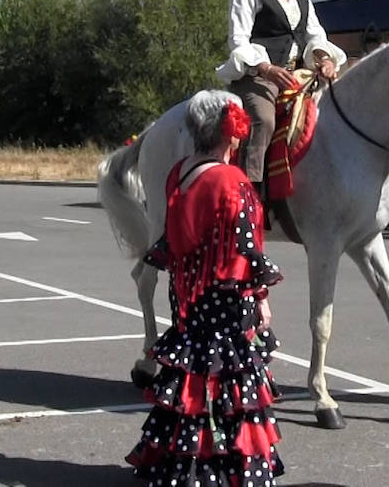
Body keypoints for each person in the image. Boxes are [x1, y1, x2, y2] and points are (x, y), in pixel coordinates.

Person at [126, 90, 285, 486]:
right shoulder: (233, 181)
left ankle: (182, 468)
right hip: (225, 298)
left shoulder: (178, 172)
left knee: (192, 381)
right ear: (230, 131)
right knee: (230, 386)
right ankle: (226, 472)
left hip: (187, 294)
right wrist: (260, 299)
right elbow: (246, 249)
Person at [216, 0, 344, 200]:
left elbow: (314, 33)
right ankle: (248, 195)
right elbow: (238, 41)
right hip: (257, 75)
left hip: (298, 73)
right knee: (263, 120)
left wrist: (324, 59)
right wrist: (267, 68)